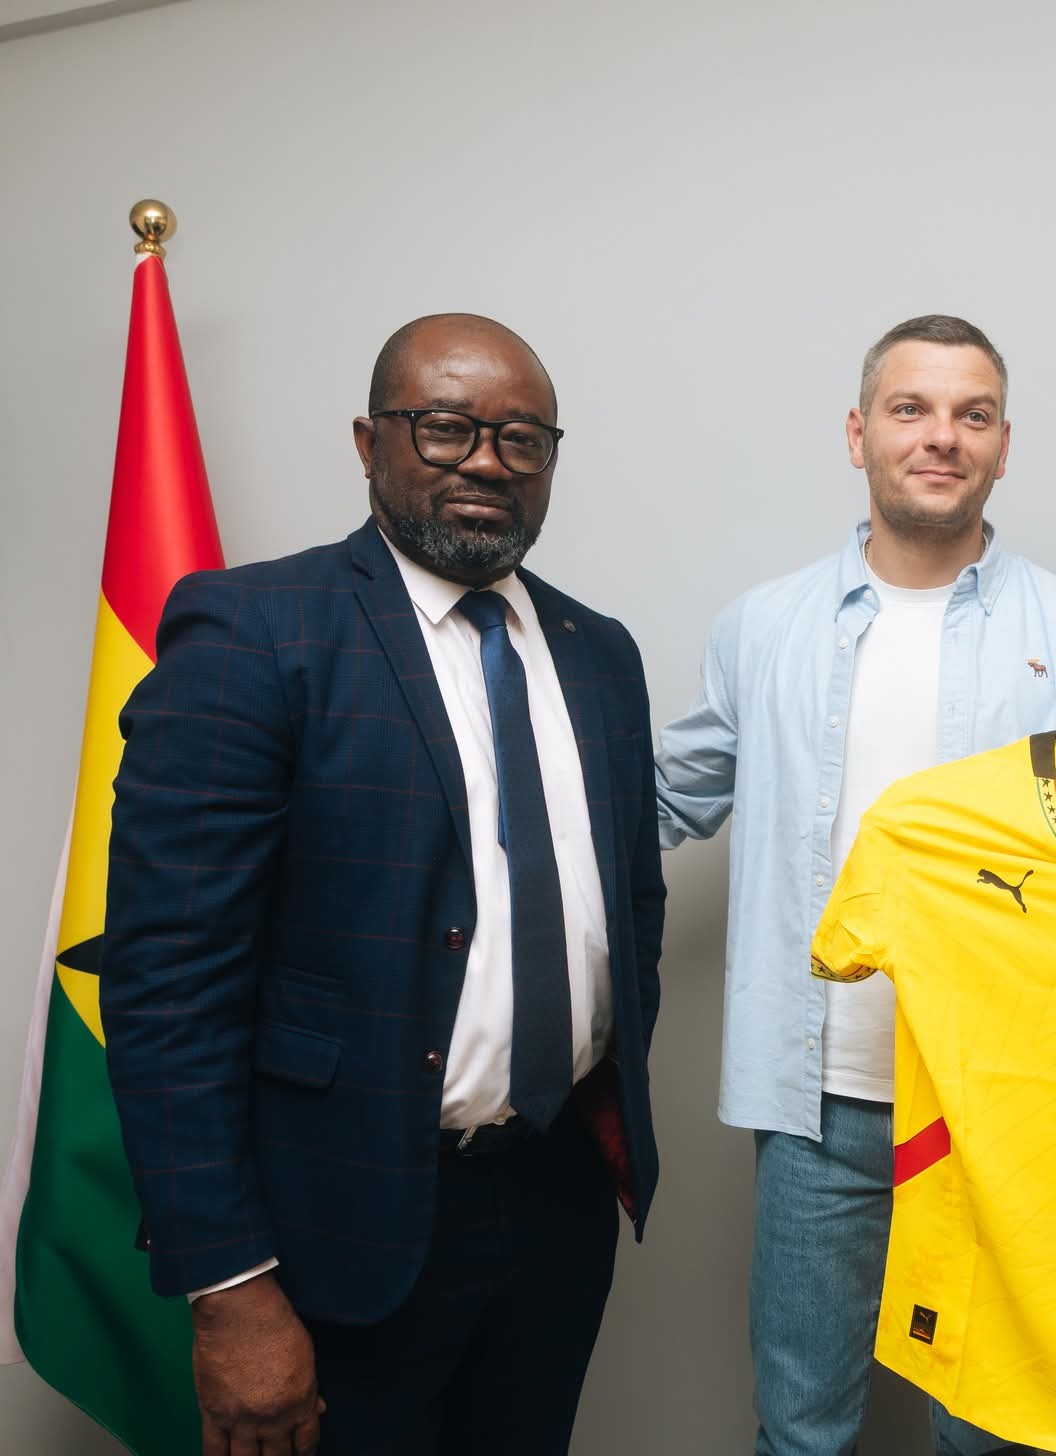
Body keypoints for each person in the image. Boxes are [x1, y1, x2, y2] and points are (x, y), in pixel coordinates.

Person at [102, 314, 665, 1456]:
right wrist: (229, 1284)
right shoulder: (256, 632)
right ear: (371, 443)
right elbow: (168, 985)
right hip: (336, 1221)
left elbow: (627, 908)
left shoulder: (599, 651)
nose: (487, 462)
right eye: (446, 428)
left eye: (522, 439)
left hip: (554, 1202)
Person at [655, 314, 1056, 1456]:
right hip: (816, 1104)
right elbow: (659, 801)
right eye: (910, 409)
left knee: (992, 1435)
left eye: (972, 414)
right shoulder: (763, 628)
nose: (941, 436)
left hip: (1010, 1099)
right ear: (858, 434)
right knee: (800, 1430)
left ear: (1003, 445)